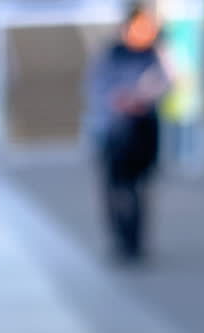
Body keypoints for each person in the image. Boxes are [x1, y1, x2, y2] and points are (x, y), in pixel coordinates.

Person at [83, 6, 171, 264]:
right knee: (116, 187)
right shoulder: (111, 55)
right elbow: (95, 89)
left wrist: (144, 96)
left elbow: (167, 81)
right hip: (114, 130)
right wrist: (120, 100)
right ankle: (120, 238)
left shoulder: (155, 55)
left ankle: (135, 240)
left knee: (139, 187)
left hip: (143, 130)